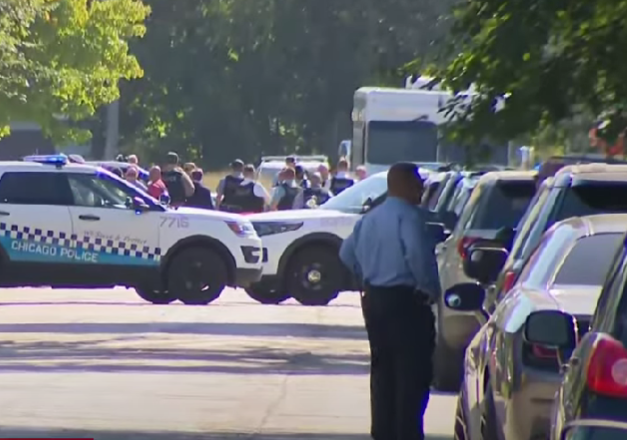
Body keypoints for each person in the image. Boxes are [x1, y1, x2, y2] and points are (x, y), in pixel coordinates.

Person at [339, 162, 440, 440]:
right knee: (412, 371)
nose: (421, 188)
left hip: (375, 300)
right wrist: (430, 289)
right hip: (406, 300)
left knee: (383, 369)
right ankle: (406, 432)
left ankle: (383, 430)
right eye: (417, 182)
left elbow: (347, 253)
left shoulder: (371, 218)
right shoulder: (409, 217)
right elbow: (417, 255)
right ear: (403, 184)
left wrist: (365, 276)